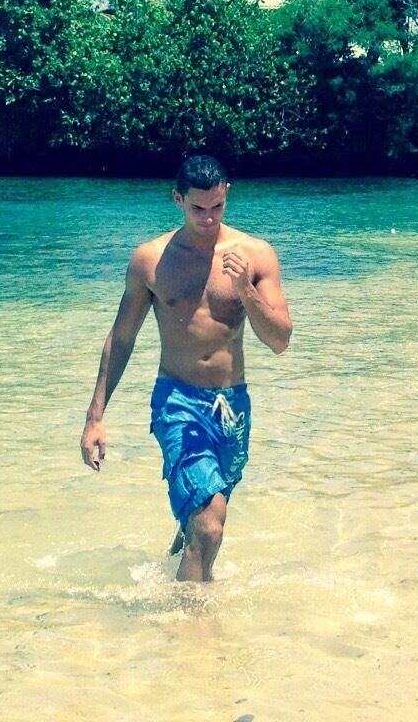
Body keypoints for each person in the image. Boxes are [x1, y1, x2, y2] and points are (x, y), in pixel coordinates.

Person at [80, 152, 293, 581]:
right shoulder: (151, 260)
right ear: (177, 198)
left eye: (217, 207)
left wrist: (245, 291)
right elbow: (122, 337)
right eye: (197, 207)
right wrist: (94, 417)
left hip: (233, 408)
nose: (208, 217)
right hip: (177, 400)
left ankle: (178, 576)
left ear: (226, 194)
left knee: (202, 523)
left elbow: (280, 341)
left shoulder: (255, 254)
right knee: (210, 524)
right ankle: (190, 630)